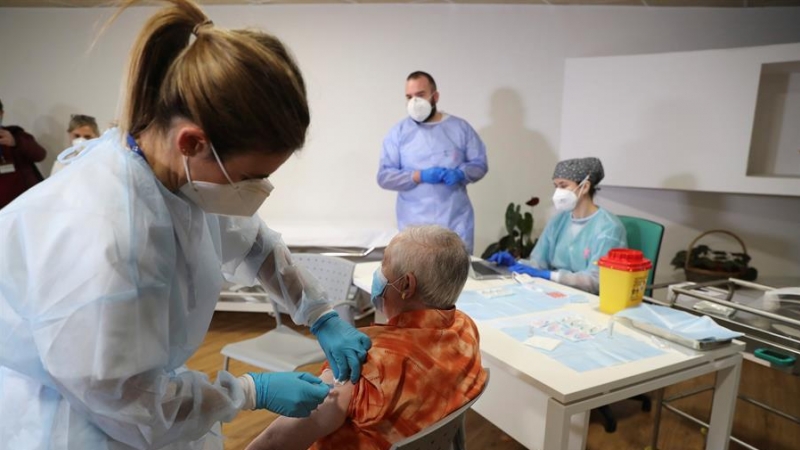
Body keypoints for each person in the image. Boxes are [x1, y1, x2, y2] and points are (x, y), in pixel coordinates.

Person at [0, 1, 371, 449]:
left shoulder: (178, 178)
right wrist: (252, 392)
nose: (260, 190)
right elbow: (131, 405)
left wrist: (320, 312)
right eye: (251, 175)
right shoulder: (107, 238)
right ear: (193, 142)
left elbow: (256, 245)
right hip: (77, 423)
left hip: (136, 401)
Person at [247, 225, 488, 450]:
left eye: (384, 263)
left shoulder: (363, 359)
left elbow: (275, 440)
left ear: (406, 285)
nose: (379, 273)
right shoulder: (465, 329)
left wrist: (251, 391)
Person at [377, 71, 488, 254]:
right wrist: (418, 176)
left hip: (454, 223)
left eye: (420, 95)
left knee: (456, 277)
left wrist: (461, 173)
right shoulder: (399, 133)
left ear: (435, 96)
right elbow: (384, 176)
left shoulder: (460, 128)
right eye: (409, 97)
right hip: (413, 229)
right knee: (417, 278)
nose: (414, 102)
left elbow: (480, 164)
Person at [488, 157, 626, 294]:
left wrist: (550, 275)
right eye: (556, 186)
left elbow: (597, 281)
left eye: (563, 185)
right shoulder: (558, 221)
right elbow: (538, 263)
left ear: (584, 187)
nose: (558, 193)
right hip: (554, 292)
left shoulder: (609, 227)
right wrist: (515, 264)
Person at [0, 97, 47, 208]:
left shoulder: (15, 133)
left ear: (1, 113)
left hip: (28, 202)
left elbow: (40, 154)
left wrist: (16, 142)